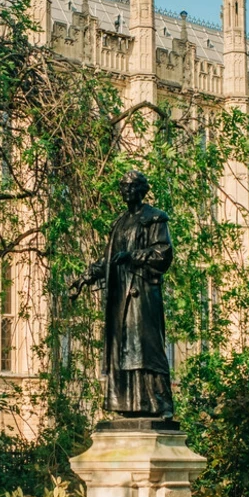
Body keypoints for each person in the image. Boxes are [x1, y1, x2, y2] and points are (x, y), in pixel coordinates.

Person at [71, 171, 175, 418]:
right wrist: (85, 277)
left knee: (147, 348)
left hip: (142, 293)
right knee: (123, 349)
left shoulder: (154, 218)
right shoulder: (119, 223)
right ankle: (129, 404)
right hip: (120, 295)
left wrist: (134, 256)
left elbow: (163, 253)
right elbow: (108, 259)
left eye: (130, 187)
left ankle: (160, 404)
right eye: (123, 188)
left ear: (141, 190)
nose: (126, 192)